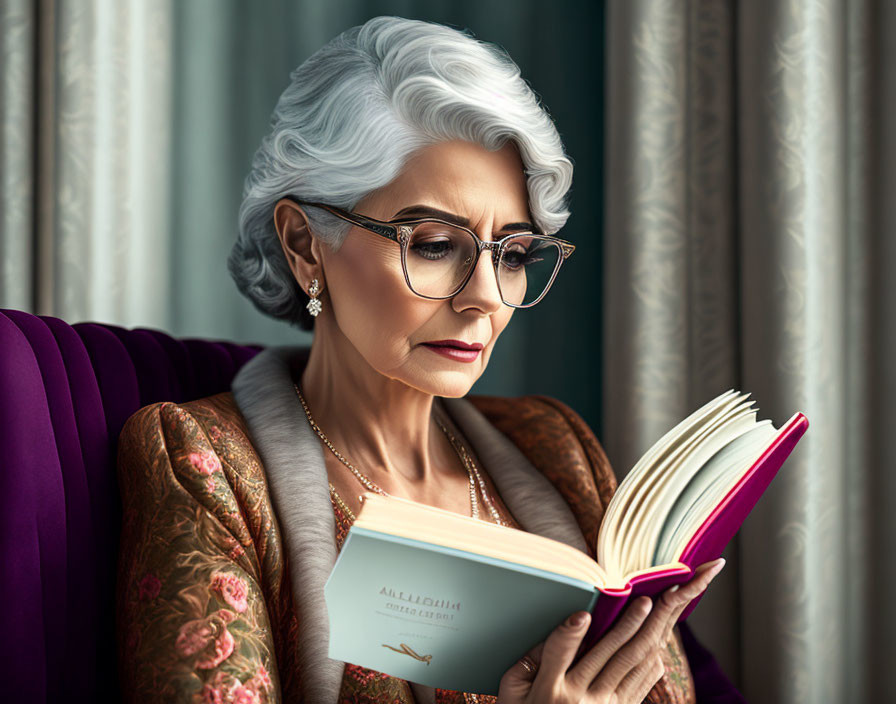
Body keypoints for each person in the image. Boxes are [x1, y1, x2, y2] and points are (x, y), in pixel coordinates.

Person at [114, 16, 739, 704]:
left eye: (513, 254)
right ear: (302, 244)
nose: (484, 299)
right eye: (436, 244)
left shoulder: (559, 449)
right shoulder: (201, 464)